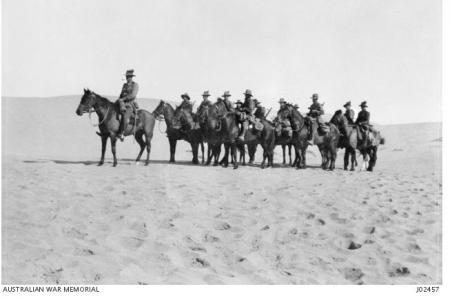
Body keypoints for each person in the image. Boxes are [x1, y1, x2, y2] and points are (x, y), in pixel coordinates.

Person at [117, 69, 139, 141]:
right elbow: (121, 95)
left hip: (130, 104)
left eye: (129, 76)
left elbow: (133, 95)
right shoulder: (124, 85)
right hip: (121, 103)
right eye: (127, 76)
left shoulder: (135, 85)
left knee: (125, 117)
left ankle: (122, 133)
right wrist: (120, 99)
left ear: (132, 77)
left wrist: (123, 99)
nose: (127, 78)